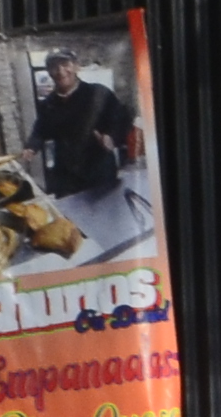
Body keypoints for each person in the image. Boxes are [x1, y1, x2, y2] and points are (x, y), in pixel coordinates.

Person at [26, 54, 153, 264]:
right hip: (65, 173)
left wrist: (111, 137)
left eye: (65, 65)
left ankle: (116, 261)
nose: (60, 71)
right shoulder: (49, 103)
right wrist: (32, 146)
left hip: (98, 170)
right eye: (54, 67)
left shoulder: (98, 93)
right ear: (49, 72)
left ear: (76, 66)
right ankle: (84, 260)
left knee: (107, 222)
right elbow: (41, 130)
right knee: (73, 223)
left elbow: (122, 120)